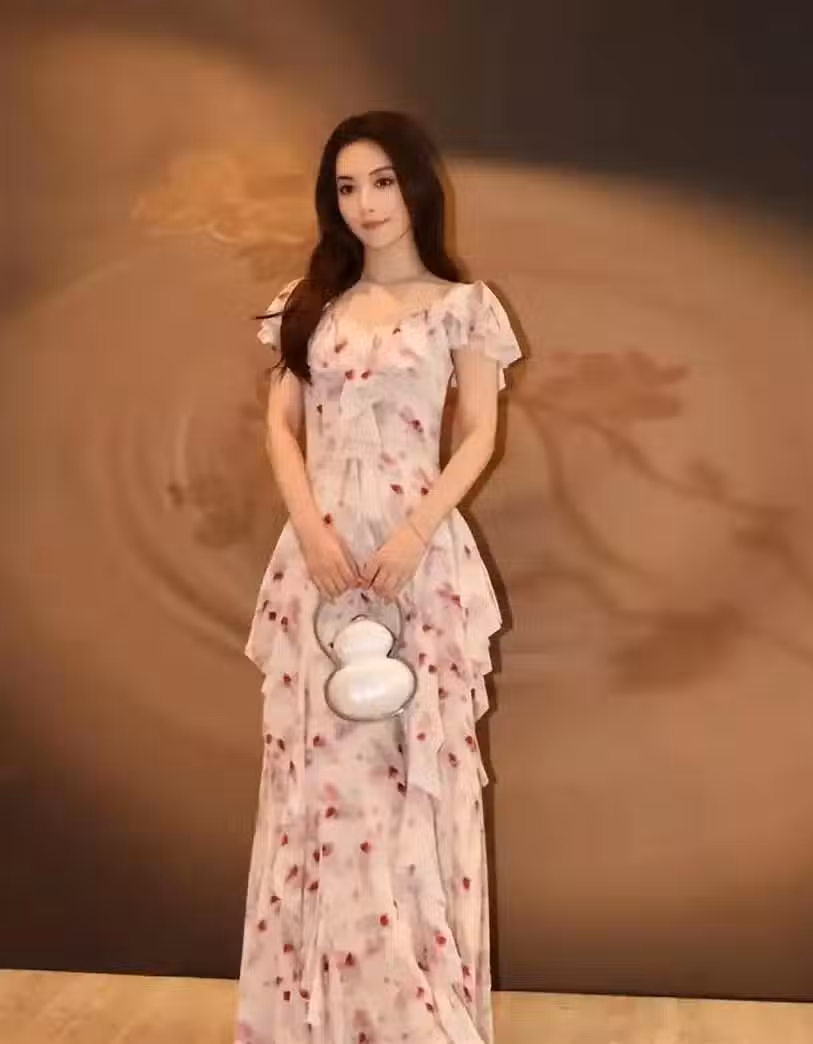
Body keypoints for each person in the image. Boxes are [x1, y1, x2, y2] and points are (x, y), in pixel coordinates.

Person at [235, 110, 522, 1044]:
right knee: (320, 783)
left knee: (412, 783)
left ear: (418, 187)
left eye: (384, 181)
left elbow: (478, 433)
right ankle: (317, 1017)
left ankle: (413, 1015)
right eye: (348, 187)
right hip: (317, 567)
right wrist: (311, 532)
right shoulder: (306, 304)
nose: (366, 203)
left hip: (419, 566)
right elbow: (280, 427)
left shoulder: (463, 306)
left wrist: (414, 534)